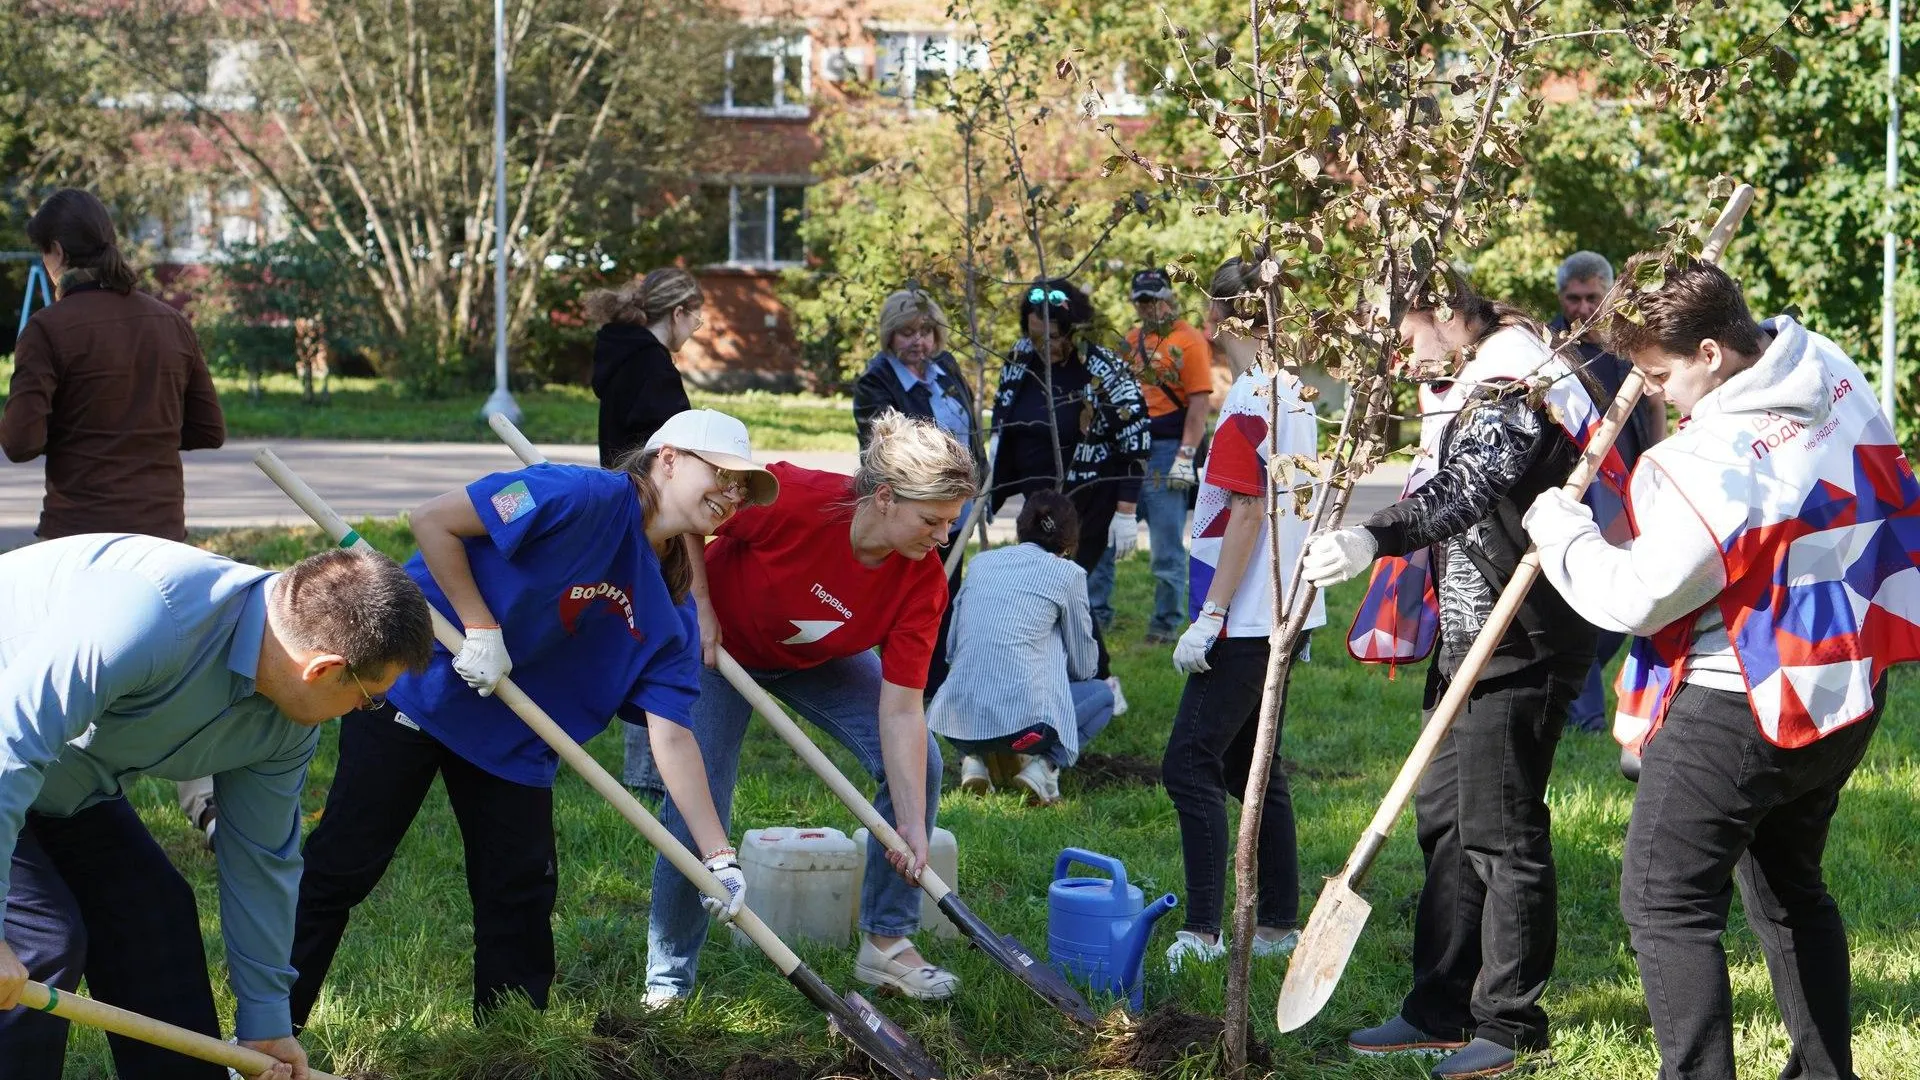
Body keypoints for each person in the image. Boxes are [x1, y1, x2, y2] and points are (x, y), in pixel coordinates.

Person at [1524, 257, 1920, 1080]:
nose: (1655, 393)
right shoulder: (1827, 366)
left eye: (1660, 373)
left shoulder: (1709, 460)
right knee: (1788, 889)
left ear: (1709, 351)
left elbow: (1640, 599)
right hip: (1846, 679)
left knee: (1662, 901)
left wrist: (1560, 531)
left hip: (1741, 702)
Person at [288, 409, 775, 1029]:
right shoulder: (578, 494)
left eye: (743, 489)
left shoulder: (669, 616)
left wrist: (717, 858)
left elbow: (673, 737)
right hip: (422, 690)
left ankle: (508, 1053)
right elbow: (433, 521)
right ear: (669, 458)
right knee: (341, 868)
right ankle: (268, 1032)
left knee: (518, 895)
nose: (732, 495)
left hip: (515, 741)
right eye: (723, 474)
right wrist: (480, 626)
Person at [1303, 286, 1603, 1078]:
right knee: (1444, 815)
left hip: (1525, 634)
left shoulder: (1513, 376)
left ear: (1440, 307)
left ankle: (1508, 1026)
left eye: (1398, 333)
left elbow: (1471, 485)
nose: (1398, 358)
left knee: (1501, 828)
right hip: (1470, 634)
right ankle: (1439, 1006)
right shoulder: (1472, 374)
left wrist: (1375, 537)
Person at [0, 536, 433, 1080]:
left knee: (156, 918)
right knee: (41, 941)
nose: (362, 711)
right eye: (369, 698)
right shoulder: (151, 616)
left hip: (62, 783)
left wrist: (267, 1023)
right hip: (7, 752)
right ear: (322, 669)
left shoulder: (285, 725)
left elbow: (261, 860)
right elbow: (8, 749)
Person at [646, 410, 976, 1003]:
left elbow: (901, 709)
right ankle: (669, 978)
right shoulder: (796, 499)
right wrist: (697, 602)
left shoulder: (923, 582)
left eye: (950, 522)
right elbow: (696, 512)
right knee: (700, 801)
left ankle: (887, 944)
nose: (943, 537)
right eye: (932, 520)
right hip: (717, 649)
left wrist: (908, 822)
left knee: (920, 763)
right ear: (884, 498)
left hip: (815, 659)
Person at [0, 187, 230, 849]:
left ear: (57, 253)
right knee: (176, 680)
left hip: (76, 547)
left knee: (63, 685)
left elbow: (19, 442)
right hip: (164, 545)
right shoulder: (169, 323)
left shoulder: (48, 330)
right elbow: (208, 430)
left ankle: (66, 818)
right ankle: (207, 803)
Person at [1160, 257, 1327, 971]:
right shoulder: (1295, 392)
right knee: (1249, 765)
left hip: (1250, 615)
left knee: (1188, 763)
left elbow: (1250, 510)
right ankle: (1280, 924)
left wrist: (1214, 613)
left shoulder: (1254, 397)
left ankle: (1201, 934)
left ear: (1221, 315)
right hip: (1284, 608)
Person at [584, 268, 717, 802]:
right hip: (653, 515)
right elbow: (675, 471)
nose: (697, 328)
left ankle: (649, 761)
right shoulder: (653, 370)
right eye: (697, 317)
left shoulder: (622, 355)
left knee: (638, 626)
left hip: (626, 508)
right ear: (678, 312)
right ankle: (653, 766)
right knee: (665, 631)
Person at [987, 279, 1150, 708]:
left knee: (1061, 588)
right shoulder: (1020, 363)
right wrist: (991, 493)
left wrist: (1126, 510)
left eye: (1054, 336)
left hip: (1087, 503)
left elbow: (1134, 437)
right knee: (1053, 593)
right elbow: (1005, 429)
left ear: (1073, 330)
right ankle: (1067, 681)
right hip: (1037, 505)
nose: (1044, 345)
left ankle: (1099, 681)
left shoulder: (1100, 369)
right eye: (1035, 334)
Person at [1547, 251, 1668, 733]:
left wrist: (1658, 465)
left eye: (1592, 297)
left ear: (1609, 294)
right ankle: (1586, 716)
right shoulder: (1551, 348)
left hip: (1631, 484)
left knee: (1627, 599)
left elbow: (1655, 408)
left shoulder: (1629, 343)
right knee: (1584, 596)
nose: (1581, 308)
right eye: (1573, 298)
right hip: (1579, 490)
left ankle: (1589, 696)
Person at [929, 490, 1112, 805]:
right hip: (1029, 729)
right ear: (1069, 541)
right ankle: (1045, 767)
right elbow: (1085, 669)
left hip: (955, 723)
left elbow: (952, 649)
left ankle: (973, 760)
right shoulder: (1068, 575)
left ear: (1021, 527)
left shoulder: (982, 564)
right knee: (1104, 696)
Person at [852, 288, 987, 695]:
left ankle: (936, 681)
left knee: (944, 592)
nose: (918, 341)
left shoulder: (945, 366)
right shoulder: (876, 381)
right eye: (907, 332)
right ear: (890, 334)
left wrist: (981, 481)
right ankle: (899, 680)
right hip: (912, 509)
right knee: (908, 596)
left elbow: (970, 427)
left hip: (956, 505)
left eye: (927, 331)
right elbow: (885, 453)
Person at [1121, 268, 1214, 644]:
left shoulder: (1188, 342)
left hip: (1167, 449)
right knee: (1110, 537)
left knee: (1165, 547)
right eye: (1141, 300)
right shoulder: (1131, 340)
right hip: (1131, 450)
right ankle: (1100, 614)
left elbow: (1198, 407)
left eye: (1154, 299)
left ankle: (1164, 624)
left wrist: (1185, 457)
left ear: (1169, 298)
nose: (1148, 307)